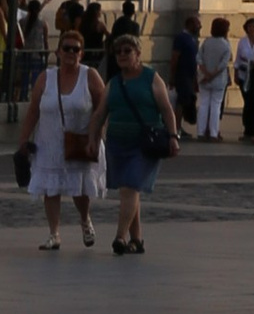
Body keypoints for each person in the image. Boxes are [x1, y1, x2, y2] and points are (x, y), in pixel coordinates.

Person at [20, 21, 104, 248]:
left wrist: (97, 137)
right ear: (58, 51)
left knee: (79, 189)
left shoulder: (90, 76)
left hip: (80, 141)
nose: (70, 53)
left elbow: (102, 108)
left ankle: (85, 219)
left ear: (82, 53)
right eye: (66, 48)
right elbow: (33, 110)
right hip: (49, 142)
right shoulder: (45, 78)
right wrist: (23, 140)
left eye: (75, 49)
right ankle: (54, 233)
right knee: (51, 188)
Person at [101, 33, 179, 255]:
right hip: (117, 143)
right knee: (129, 191)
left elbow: (166, 110)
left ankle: (119, 236)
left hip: (144, 145)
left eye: (128, 51)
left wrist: (173, 137)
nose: (123, 55)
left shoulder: (151, 78)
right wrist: (92, 137)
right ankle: (137, 240)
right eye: (119, 52)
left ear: (138, 54)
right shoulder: (114, 82)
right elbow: (100, 112)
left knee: (130, 186)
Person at [195, 16, 234, 142]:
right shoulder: (226, 44)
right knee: (216, 106)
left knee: (203, 104)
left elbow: (199, 58)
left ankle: (201, 132)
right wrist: (212, 74)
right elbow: (224, 63)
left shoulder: (206, 42)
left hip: (204, 78)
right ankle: (213, 133)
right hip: (218, 79)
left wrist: (205, 73)